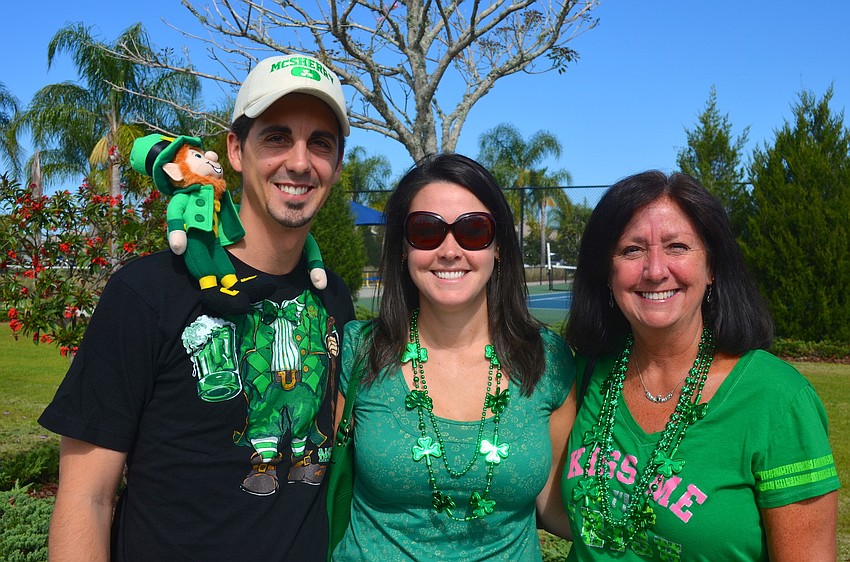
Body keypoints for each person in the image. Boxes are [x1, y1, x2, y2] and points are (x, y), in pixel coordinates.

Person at [38, 53, 356, 561]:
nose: (299, 162)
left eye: (320, 143)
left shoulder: (333, 298)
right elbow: (86, 498)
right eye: (277, 137)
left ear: (336, 165)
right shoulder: (146, 293)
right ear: (235, 150)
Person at [561, 170, 840, 561]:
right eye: (631, 250)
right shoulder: (585, 372)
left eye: (677, 247)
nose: (655, 270)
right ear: (607, 273)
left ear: (711, 268)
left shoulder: (779, 399)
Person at [331, 153, 576, 560]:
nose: (449, 250)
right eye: (426, 230)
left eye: (473, 230)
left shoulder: (547, 359)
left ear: (498, 247)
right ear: (403, 248)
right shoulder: (361, 350)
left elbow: (554, 504)